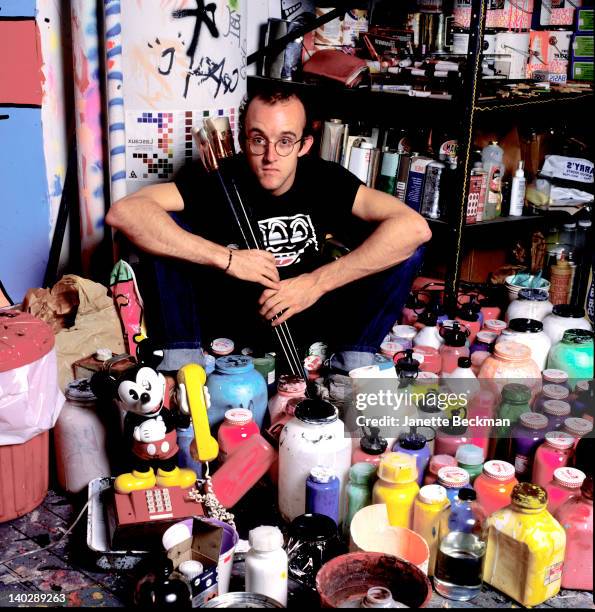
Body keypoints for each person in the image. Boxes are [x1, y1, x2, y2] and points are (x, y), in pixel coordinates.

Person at [106, 84, 431, 368]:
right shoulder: (220, 179)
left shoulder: (325, 179)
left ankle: (351, 362)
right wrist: (227, 258)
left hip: (309, 321)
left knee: (403, 248)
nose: (270, 156)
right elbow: (125, 213)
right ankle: (183, 363)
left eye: (285, 141)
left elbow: (415, 228)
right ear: (243, 140)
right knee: (165, 231)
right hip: (230, 324)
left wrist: (314, 284)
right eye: (258, 139)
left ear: (304, 145)